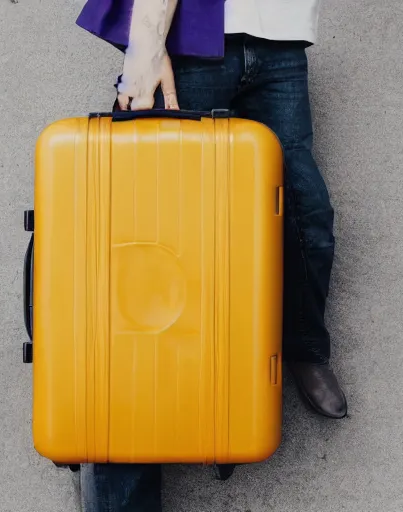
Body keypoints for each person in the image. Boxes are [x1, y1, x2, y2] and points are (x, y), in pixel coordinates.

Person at [73, 0, 347, 510]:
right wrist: (147, 41)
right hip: (191, 33)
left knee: (306, 215)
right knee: (159, 235)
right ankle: (123, 464)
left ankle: (303, 344)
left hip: (280, 39)